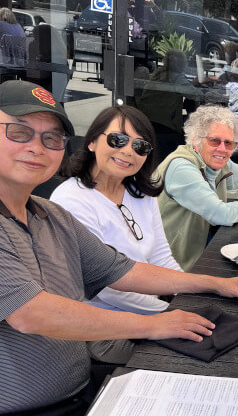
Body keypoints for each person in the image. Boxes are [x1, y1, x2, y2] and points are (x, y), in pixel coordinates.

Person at [0, 80, 238, 416]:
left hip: (78, 397)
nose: (37, 146)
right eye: (18, 131)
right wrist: (154, 324)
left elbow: (122, 270)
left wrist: (214, 283)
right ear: (92, 145)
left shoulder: (47, 213)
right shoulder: (67, 203)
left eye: (51, 137)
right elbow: (31, 314)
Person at [50, 105, 180, 364]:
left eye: (140, 146)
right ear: (91, 142)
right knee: (182, 360)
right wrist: (169, 312)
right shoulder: (72, 200)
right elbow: (105, 289)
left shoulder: (140, 193)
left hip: (148, 313)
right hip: (102, 330)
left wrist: (188, 298)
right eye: (118, 139)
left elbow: (162, 258)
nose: (128, 151)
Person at [156, 105, 238, 271]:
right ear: (196, 141)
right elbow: (222, 215)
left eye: (228, 143)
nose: (222, 149)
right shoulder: (181, 167)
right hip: (172, 266)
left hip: (202, 251)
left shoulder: (220, 163)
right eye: (214, 141)